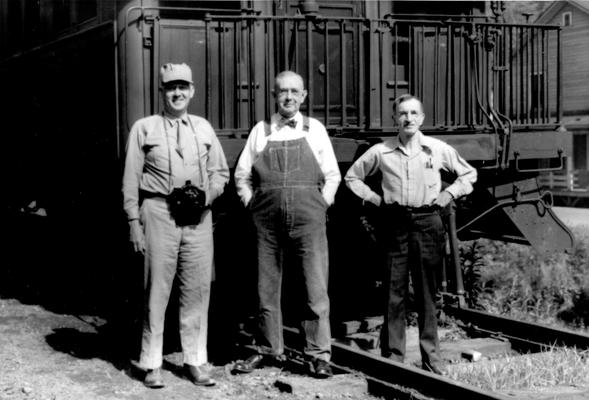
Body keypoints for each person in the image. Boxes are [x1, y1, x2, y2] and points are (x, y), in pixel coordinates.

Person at [344, 94, 477, 374]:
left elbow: (469, 175)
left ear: (422, 118)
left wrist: (449, 193)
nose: (408, 118)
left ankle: (432, 358)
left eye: (414, 113)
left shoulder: (437, 149)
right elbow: (352, 177)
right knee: (394, 291)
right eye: (402, 113)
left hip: (429, 221)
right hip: (394, 223)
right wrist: (375, 199)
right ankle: (393, 357)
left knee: (428, 292)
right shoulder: (381, 152)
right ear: (395, 118)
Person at [122, 63, 229, 388]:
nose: (177, 93)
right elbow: (129, 180)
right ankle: (151, 362)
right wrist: (132, 220)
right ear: (162, 92)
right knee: (156, 289)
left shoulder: (203, 128)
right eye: (171, 88)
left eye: (183, 87)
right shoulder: (144, 128)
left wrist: (206, 196)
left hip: (197, 216)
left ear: (192, 90)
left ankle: (195, 360)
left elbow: (220, 172)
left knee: (197, 289)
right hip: (158, 212)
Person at [233, 71, 341, 378]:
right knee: (266, 286)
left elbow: (332, 175)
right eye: (283, 92)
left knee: (315, 285)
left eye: (295, 92)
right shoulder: (261, 130)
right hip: (265, 218)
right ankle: (268, 349)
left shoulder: (315, 129)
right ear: (274, 95)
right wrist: (251, 203)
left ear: (304, 96)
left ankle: (318, 355)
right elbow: (242, 175)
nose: (289, 97)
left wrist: (323, 202)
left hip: (309, 215)